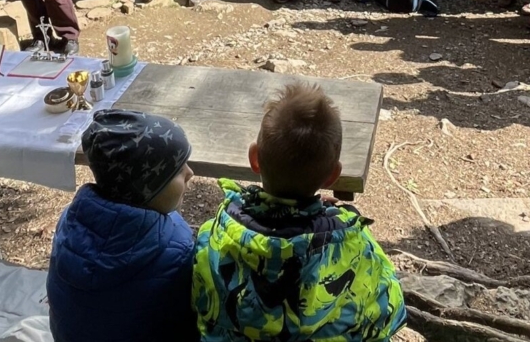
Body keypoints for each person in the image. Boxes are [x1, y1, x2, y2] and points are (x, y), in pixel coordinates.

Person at [192, 84, 406, 341]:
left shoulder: (216, 233)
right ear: (333, 176)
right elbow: (391, 305)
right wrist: (331, 218)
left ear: (254, 158)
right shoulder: (352, 243)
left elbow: (199, 298)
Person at [48, 110, 197, 342]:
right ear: (146, 186)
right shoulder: (176, 246)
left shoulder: (70, 221)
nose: (190, 173)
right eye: (177, 170)